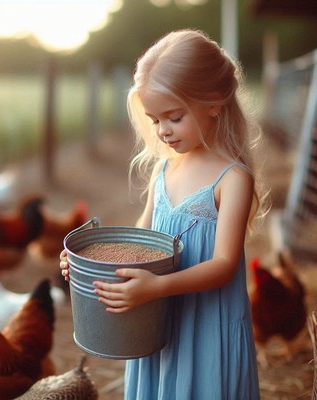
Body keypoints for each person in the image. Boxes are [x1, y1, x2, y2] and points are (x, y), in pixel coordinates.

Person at [60, 29, 266, 399]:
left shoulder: (232, 178)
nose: (163, 131)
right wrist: (87, 264)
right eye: (155, 120)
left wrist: (158, 286)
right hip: (156, 321)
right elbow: (142, 239)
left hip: (207, 326)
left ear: (214, 102)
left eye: (173, 117)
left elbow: (223, 264)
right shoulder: (164, 170)